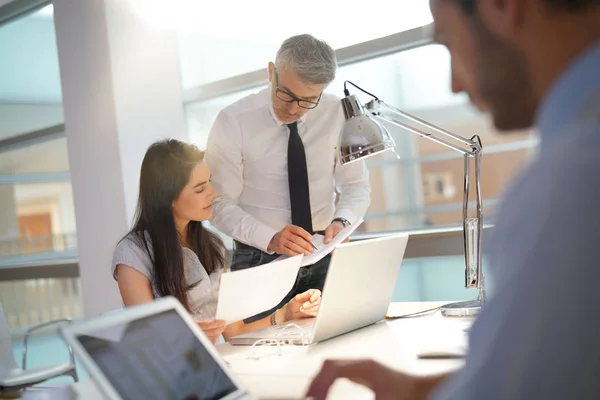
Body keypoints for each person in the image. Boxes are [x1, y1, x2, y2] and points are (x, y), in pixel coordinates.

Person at [306, 0, 600, 399]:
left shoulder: (567, 185)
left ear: (503, 7)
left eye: (447, 43)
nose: (454, 84)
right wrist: (414, 387)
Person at [206, 34, 370, 323]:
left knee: (333, 348)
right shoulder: (233, 121)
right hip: (259, 261)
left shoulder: (338, 114)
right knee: (258, 354)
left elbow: (355, 185)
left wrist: (342, 221)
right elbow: (218, 204)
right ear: (271, 72)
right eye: (286, 94)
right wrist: (270, 239)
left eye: (308, 101)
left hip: (324, 256)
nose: (294, 109)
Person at [111, 139, 321, 344]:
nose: (213, 193)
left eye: (209, 182)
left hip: (213, 364)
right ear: (168, 198)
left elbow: (235, 332)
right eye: (200, 189)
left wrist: (285, 314)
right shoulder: (133, 253)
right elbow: (145, 341)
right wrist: (188, 337)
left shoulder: (211, 245)